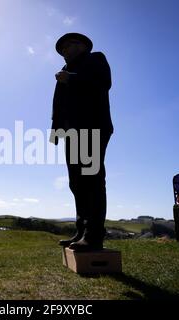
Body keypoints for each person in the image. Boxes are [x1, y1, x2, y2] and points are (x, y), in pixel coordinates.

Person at [50, 33, 114, 251]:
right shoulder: (64, 73)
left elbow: (103, 83)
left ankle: (94, 234)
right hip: (71, 133)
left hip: (93, 126)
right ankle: (81, 230)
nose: (68, 49)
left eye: (72, 44)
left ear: (84, 46)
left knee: (91, 179)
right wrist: (56, 131)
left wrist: (72, 79)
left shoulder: (95, 59)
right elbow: (59, 105)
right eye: (64, 47)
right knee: (76, 182)